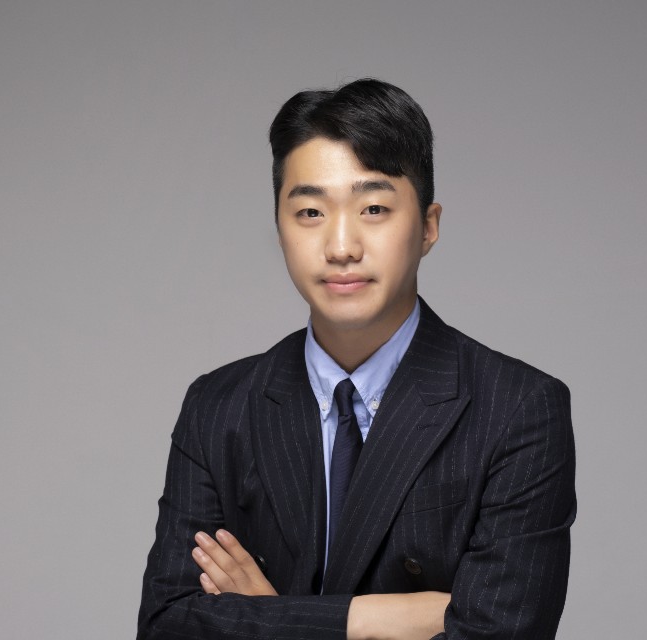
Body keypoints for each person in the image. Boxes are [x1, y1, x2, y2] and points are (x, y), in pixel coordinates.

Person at [137, 78, 576, 640]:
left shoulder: (518, 408)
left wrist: (270, 618)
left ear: (428, 226)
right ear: (279, 228)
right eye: (310, 212)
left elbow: (501, 632)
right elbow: (166, 625)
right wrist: (373, 618)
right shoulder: (219, 406)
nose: (341, 247)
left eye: (373, 208)